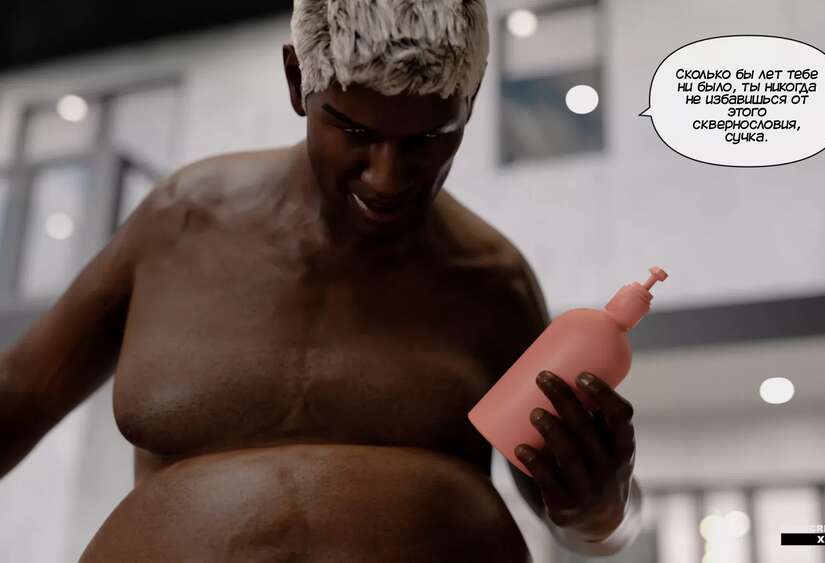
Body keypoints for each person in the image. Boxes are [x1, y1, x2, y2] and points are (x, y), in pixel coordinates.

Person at [0, 1, 642, 560]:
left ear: (470, 103)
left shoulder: (494, 283)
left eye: (427, 139)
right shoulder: (185, 219)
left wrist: (605, 507)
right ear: (295, 80)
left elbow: (588, 527)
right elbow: (19, 395)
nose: (386, 178)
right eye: (354, 131)